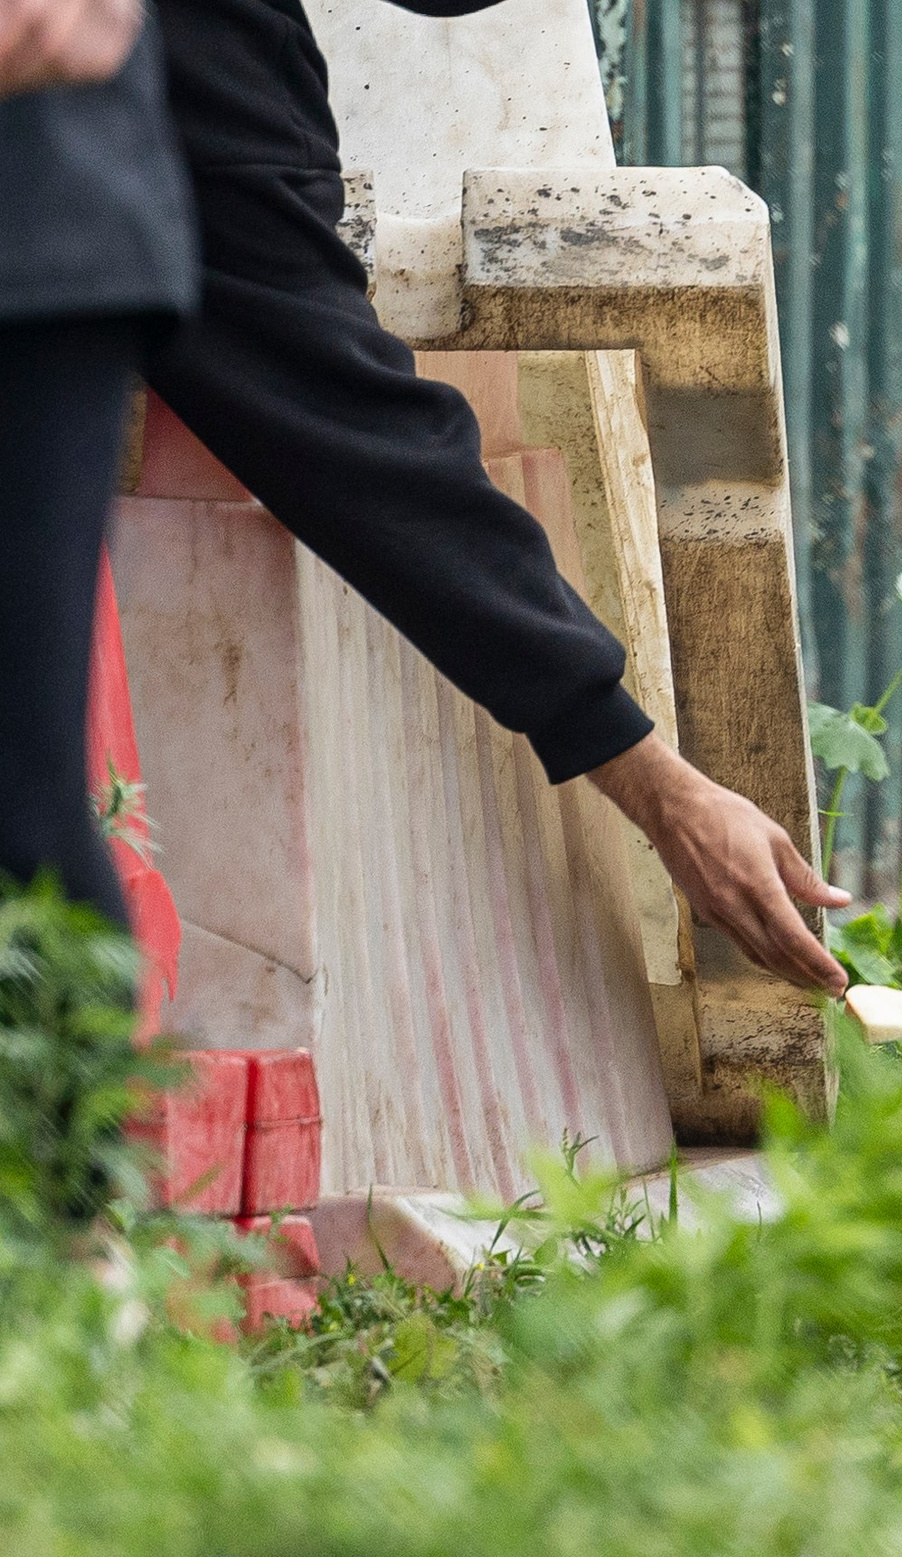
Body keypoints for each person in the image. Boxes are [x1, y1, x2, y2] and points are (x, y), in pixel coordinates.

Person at [0, 0, 849, 996]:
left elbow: (330, 408)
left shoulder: (204, 45)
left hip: (40, 252)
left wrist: (651, 778)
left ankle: (58, 1140)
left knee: (30, 850)